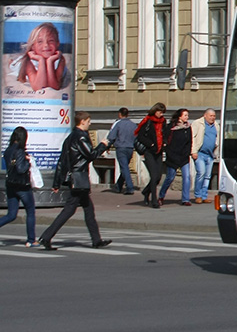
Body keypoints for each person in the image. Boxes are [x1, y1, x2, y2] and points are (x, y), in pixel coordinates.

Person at [38, 112, 111, 250]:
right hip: (79, 179)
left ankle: (96, 240)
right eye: (88, 121)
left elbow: (62, 161)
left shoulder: (70, 136)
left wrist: (56, 183)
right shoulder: (81, 137)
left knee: (88, 209)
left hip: (76, 179)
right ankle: (46, 237)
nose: (90, 123)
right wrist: (103, 145)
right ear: (82, 121)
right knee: (69, 210)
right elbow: (91, 155)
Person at [0, 127, 37, 246]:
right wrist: (28, 162)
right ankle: (31, 240)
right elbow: (21, 169)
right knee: (30, 211)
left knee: (11, 214)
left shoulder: (8, 150)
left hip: (10, 184)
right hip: (22, 186)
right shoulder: (20, 151)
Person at [10, 22, 69, 92]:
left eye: (51, 41)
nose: (46, 45)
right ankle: (11, 61)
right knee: (13, 64)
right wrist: (41, 61)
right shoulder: (29, 62)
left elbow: (54, 86)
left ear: (57, 43)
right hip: (20, 64)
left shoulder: (60, 59)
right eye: (40, 41)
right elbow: (39, 87)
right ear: (33, 46)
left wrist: (50, 62)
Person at [135, 102, 168, 208]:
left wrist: (165, 142)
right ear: (155, 111)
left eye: (163, 112)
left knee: (158, 177)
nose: (161, 115)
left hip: (159, 151)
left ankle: (146, 191)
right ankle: (154, 200)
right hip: (149, 152)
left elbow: (165, 134)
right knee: (153, 176)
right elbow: (140, 136)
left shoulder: (163, 122)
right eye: (159, 112)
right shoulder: (148, 121)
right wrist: (151, 143)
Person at [159, 109, 194, 206]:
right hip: (173, 156)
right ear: (179, 116)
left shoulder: (187, 128)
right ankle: (161, 196)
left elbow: (189, 142)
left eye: (187, 115)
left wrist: (187, 152)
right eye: (185, 115)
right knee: (170, 178)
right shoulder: (171, 127)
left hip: (184, 157)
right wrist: (169, 153)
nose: (187, 117)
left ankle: (185, 199)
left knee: (186, 177)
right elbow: (166, 141)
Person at [190, 108, 219, 204]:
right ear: (205, 115)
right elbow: (192, 137)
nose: (213, 118)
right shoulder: (198, 123)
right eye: (211, 116)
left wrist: (216, 151)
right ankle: (198, 195)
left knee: (207, 176)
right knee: (201, 173)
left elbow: (217, 139)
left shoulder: (216, 125)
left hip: (210, 155)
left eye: (214, 116)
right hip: (200, 154)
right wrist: (193, 151)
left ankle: (204, 196)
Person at [106, 107, 138, 194]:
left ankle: (130, 187)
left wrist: (107, 146)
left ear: (120, 114)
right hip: (130, 148)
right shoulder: (133, 125)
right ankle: (119, 186)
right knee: (125, 167)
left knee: (124, 168)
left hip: (121, 148)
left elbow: (111, 136)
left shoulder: (118, 124)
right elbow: (136, 137)